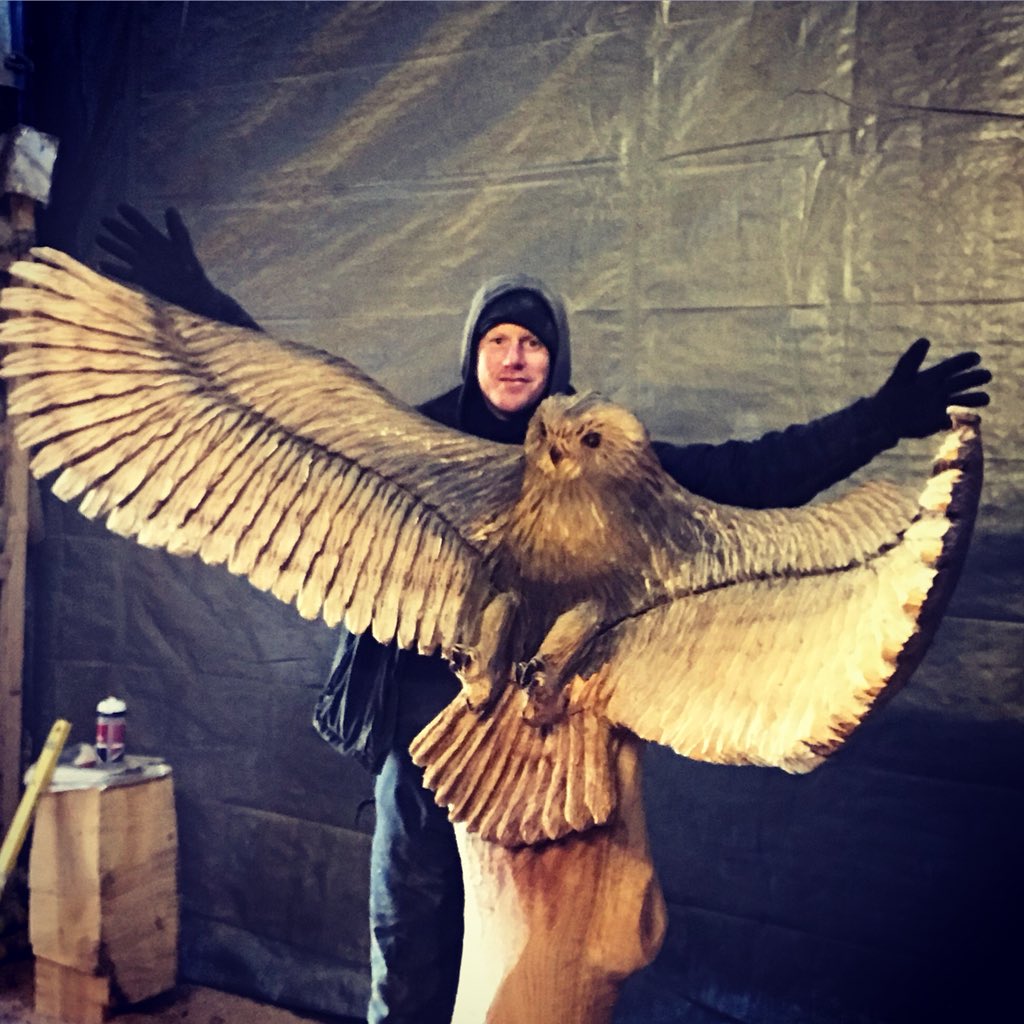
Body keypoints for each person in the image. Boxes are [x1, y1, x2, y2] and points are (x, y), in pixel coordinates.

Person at [97, 204, 991, 1024]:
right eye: (498, 339)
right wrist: (204, 308)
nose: (514, 355)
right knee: (407, 949)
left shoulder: (602, 467)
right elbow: (308, 417)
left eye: (531, 340)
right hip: (423, 753)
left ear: (554, 360)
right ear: (474, 354)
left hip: (540, 773)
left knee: (531, 970)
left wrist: (878, 420)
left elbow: (748, 475)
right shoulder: (417, 448)